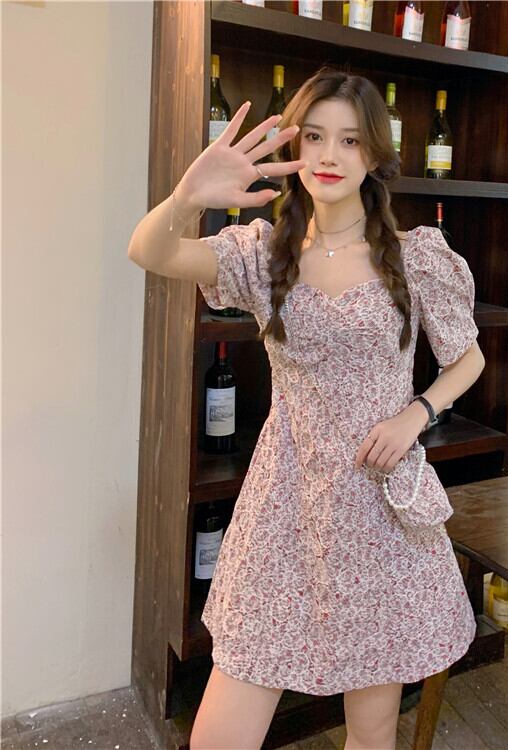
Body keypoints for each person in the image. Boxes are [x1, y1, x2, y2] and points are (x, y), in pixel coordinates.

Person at [127, 65, 485, 750]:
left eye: (350, 140)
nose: (329, 155)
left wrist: (416, 414)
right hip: (285, 506)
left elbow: (468, 359)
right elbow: (150, 251)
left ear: (374, 154)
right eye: (315, 136)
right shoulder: (263, 254)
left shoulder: (416, 258)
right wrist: (186, 196)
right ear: (295, 146)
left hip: (379, 509)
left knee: (372, 734)